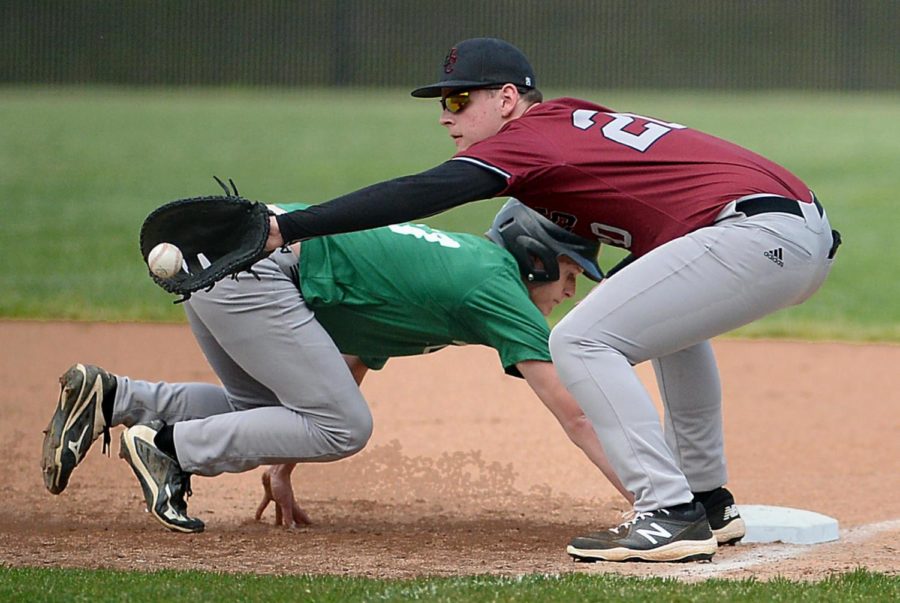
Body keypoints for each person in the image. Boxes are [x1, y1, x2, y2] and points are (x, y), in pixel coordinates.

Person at [251, 37, 841, 562]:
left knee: (579, 340)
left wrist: (292, 227)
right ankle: (707, 502)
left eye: (459, 100)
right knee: (669, 336)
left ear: (507, 99)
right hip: (787, 228)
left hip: (752, 233)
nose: (445, 115)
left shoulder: (528, 139)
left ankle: (668, 512)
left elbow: (422, 192)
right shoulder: (572, 120)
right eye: (442, 102)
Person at [41, 199, 632, 533]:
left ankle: (116, 400)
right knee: (346, 427)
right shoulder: (496, 291)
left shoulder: (466, 270)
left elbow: (345, 365)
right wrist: (652, 500)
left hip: (231, 254)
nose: (570, 293)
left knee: (268, 415)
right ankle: (169, 447)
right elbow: (577, 414)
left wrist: (281, 465)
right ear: (534, 259)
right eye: (570, 274)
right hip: (262, 263)